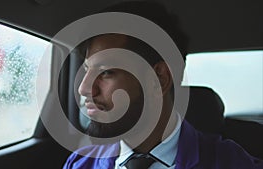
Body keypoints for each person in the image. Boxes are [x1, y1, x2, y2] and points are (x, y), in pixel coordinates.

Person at [63, 1, 263, 169]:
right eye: (87, 69)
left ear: (159, 78)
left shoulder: (232, 163)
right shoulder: (80, 164)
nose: (84, 88)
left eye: (106, 72)